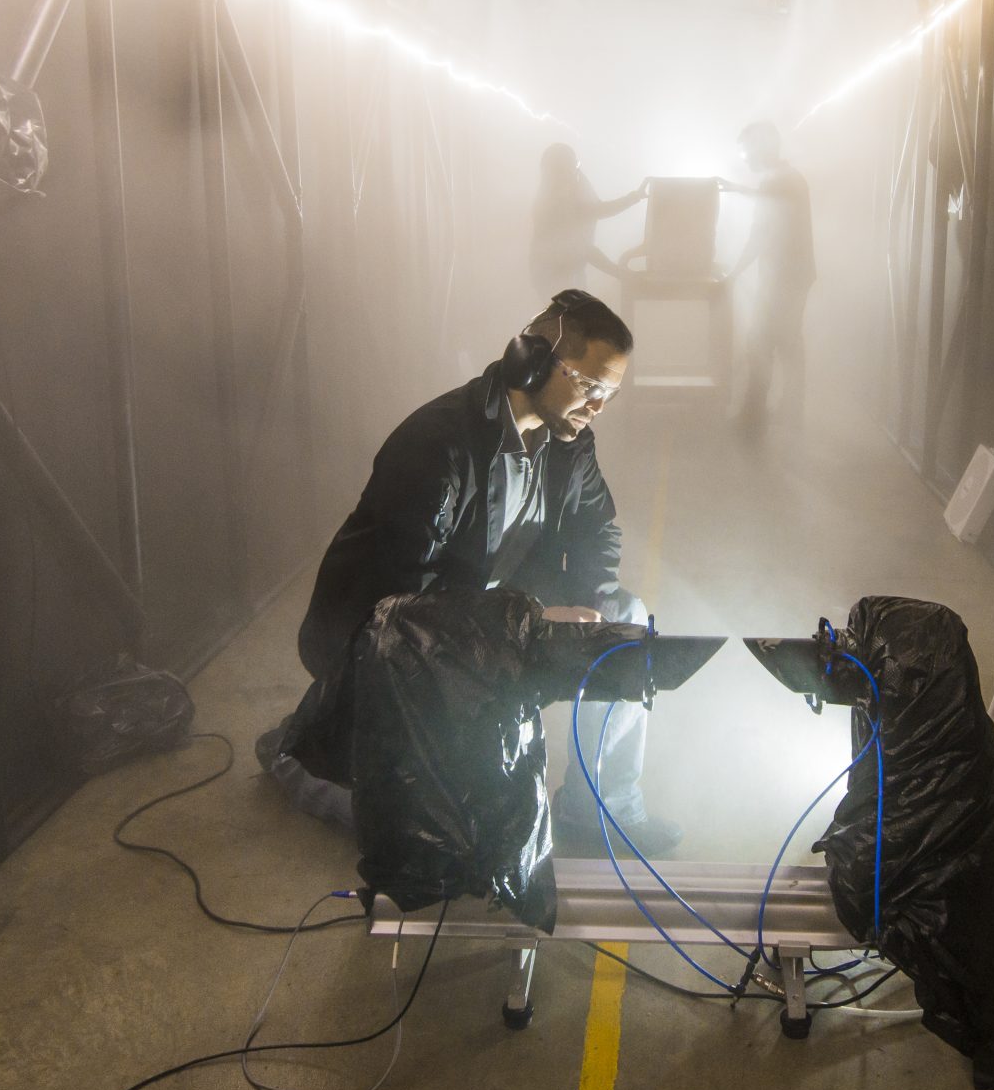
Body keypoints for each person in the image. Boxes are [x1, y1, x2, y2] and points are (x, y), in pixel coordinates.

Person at [253, 289, 683, 857]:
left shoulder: (568, 440)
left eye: (611, 393)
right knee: (439, 834)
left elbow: (596, 529)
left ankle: (600, 808)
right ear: (531, 361)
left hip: (484, 614)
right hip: (390, 640)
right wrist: (525, 622)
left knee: (624, 619)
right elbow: (404, 606)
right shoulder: (436, 445)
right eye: (590, 386)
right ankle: (294, 753)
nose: (599, 406)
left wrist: (589, 610)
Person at [725, 121, 815, 432]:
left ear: (761, 148)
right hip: (793, 274)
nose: (745, 158)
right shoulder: (786, 177)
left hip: (783, 277)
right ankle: (789, 415)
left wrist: (733, 273)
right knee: (786, 344)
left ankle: (754, 417)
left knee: (761, 343)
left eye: (747, 150)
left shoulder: (776, 182)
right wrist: (740, 189)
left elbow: (759, 235)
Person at [530, 142, 644, 299]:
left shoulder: (567, 192)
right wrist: (618, 273)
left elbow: (595, 210)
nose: (573, 172)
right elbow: (582, 247)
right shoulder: (553, 205)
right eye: (567, 168)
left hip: (565, 277)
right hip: (554, 279)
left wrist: (635, 197)